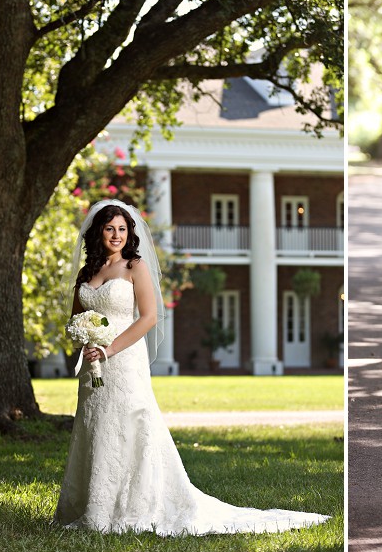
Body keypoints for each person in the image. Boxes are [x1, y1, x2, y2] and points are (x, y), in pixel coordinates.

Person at [54, 199, 329, 534]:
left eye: (122, 229)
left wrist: (110, 347)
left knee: (126, 423)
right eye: (110, 228)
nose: (116, 235)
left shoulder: (133, 267)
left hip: (124, 359)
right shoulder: (87, 273)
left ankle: (131, 508)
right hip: (93, 364)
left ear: (130, 233)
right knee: (93, 425)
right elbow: (75, 318)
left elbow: (149, 317)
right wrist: (86, 339)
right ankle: (91, 507)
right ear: (98, 231)